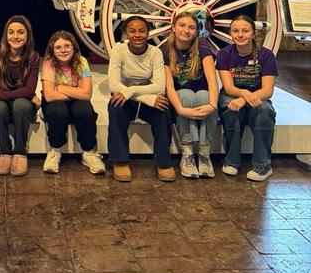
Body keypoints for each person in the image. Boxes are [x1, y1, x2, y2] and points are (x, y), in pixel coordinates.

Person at [107, 15, 176, 182]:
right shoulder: (118, 50)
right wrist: (146, 98)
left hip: (142, 96)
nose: (137, 35)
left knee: (163, 109)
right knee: (115, 105)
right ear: (125, 33)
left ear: (148, 33)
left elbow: (159, 87)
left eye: (142, 31)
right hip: (129, 99)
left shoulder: (155, 53)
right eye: (132, 31)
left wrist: (132, 91)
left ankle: (164, 162)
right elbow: (114, 85)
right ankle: (120, 161)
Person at [217, 14, 278, 182]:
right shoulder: (224, 54)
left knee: (264, 110)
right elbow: (228, 88)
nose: (240, 35)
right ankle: (232, 161)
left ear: (253, 33)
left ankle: (262, 165)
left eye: (245, 30)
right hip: (232, 95)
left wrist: (245, 99)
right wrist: (243, 95)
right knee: (231, 108)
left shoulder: (266, 56)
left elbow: (267, 90)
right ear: (230, 33)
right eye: (235, 31)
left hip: (257, 97)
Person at [161, 11, 218, 179]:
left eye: (192, 27)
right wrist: (180, 109)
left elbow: (212, 80)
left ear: (197, 31)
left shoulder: (203, 47)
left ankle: (204, 154)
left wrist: (212, 105)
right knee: (186, 94)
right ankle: (187, 153)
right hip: (180, 98)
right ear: (173, 28)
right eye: (182, 25)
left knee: (204, 96)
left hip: (201, 97)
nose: (186, 30)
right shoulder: (164, 50)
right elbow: (168, 87)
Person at [41, 30, 105, 174]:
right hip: (56, 102)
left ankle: (89, 152)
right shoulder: (49, 63)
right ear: (52, 50)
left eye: (67, 46)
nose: (63, 50)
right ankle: (55, 151)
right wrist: (77, 92)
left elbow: (87, 94)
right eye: (58, 47)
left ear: (74, 47)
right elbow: (50, 96)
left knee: (85, 110)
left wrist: (61, 87)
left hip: (73, 100)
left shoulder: (82, 61)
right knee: (57, 110)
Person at [0, 15, 40, 176]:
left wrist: (1, 96)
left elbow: (29, 90)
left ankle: (20, 151)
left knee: (21, 104)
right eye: (11, 32)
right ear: (5, 35)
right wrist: (24, 93)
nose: (15, 36)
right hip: (5, 105)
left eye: (20, 32)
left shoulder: (33, 57)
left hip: (22, 108)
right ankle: (4, 152)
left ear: (27, 35)